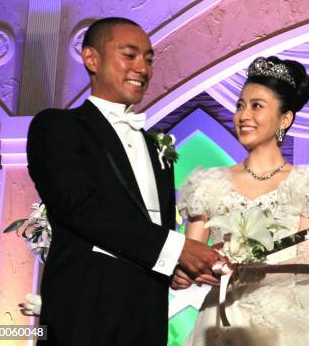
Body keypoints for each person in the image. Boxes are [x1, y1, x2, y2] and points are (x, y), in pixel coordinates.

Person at [26, 17, 219, 346]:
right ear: (92, 59)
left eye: (148, 59)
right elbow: (80, 208)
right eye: (129, 55)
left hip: (147, 321)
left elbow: (146, 231)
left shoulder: (156, 146)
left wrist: (176, 267)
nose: (142, 68)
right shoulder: (57, 126)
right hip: (86, 319)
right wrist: (177, 248)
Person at [174, 56, 309, 345]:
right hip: (224, 316)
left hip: (290, 320)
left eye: (256, 106)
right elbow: (193, 253)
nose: (243, 115)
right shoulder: (208, 184)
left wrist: (249, 270)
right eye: (240, 105)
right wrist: (183, 274)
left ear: (285, 119)